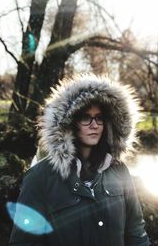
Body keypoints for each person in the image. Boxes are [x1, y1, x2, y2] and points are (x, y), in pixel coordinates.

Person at [9, 74, 150, 246]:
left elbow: (136, 232)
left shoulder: (119, 171)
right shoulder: (40, 177)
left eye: (99, 117)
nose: (94, 124)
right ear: (69, 124)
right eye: (85, 117)